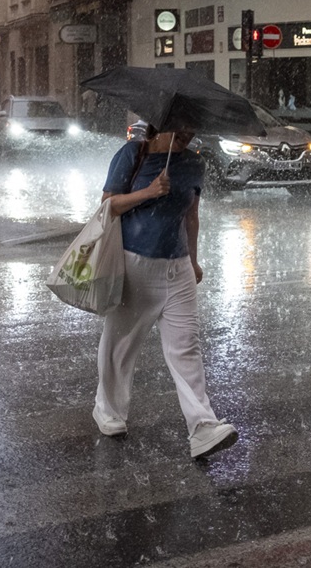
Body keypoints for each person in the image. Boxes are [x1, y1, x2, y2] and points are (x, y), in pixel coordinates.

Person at [93, 120, 238, 458]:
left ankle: (202, 427)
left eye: (191, 129)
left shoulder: (193, 163)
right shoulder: (133, 154)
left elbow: (191, 216)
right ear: (161, 126)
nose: (187, 134)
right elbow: (107, 206)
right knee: (120, 344)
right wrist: (149, 192)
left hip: (178, 267)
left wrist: (195, 259)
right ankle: (108, 409)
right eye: (180, 128)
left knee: (186, 347)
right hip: (135, 263)